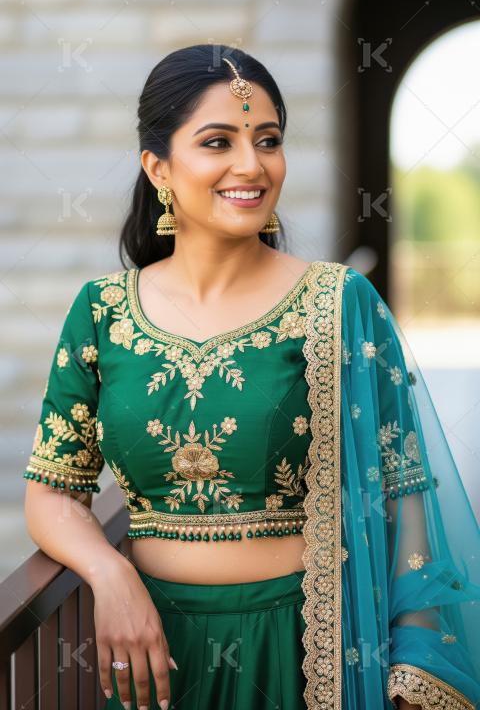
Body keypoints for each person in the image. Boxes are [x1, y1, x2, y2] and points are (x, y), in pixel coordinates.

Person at [23, 45, 480, 710]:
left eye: (268, 140)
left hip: (304, 653)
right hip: (152, 653)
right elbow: (54, 491)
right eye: (218, 142)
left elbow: (404, 490)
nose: (252, 164)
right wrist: (109, 573)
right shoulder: (101, 314)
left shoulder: (338, 304)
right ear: (159, 168)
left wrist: (411, 661)